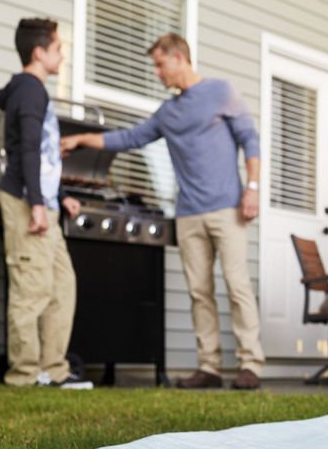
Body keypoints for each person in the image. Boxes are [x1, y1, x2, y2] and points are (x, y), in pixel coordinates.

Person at [61, 33, 264, 390]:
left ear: (180, 58)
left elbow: (250, 139)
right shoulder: (168, 113)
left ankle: (251, 364)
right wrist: (81, 139)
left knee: (237, 286)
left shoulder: (221, 91)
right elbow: (129, 138)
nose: (157, 72)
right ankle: (210, 367)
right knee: (199, 291)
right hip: (187, 214)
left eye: (159, 64)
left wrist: (253, 188)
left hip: (228, 208)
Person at [0, 18, 92, 389]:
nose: (62, 55)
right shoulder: (29, 90)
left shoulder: (35, 92)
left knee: (62, 284)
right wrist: (36, 203)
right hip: (26, 202)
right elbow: (28, 151)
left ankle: (53, 370)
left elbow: (44, 157)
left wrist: (59, 196)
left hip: (43, 202)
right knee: (30, 288)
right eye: (57, 48)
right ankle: (22, 375)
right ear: (39, 52)